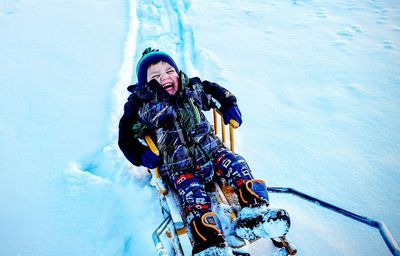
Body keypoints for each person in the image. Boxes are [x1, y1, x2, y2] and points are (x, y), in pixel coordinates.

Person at [118, 48, 290, 255]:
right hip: (178, 167)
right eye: (155, 76)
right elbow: (126, 134)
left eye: (169, 70)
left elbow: (214, 91)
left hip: (213, 152)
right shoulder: (142, 106)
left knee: (236, 163)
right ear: (145, 85)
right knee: (194, 197)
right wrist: (139, 153)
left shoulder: (191, 89)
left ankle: (254, 213)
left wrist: (227, 105)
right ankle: (209, 241)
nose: (165, 77)